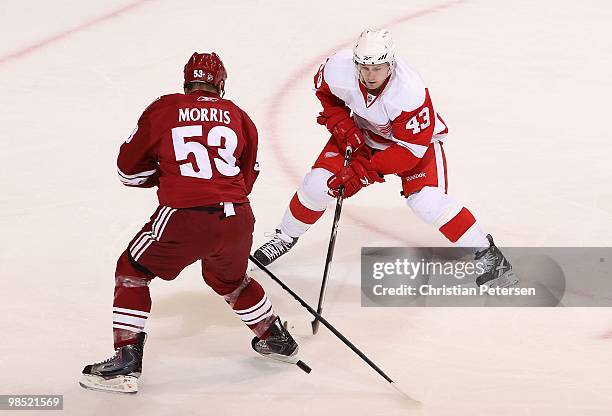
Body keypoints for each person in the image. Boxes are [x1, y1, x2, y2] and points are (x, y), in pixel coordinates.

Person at [80, 52, 299, 394]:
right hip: (238, 216)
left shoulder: (165, 108)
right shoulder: (239, 116)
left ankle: (125, 362)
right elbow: (247, 175)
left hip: (185, 215)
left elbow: (128, 171)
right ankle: (277, 339)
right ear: (221, 84)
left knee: (131, 269)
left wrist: (169, 176)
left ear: (187, 81)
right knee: (228, 280)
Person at [253, 29, 517, 288]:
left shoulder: (409, 92)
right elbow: (324, 92)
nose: (370, 75)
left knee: (426, 201)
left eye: (378, 68)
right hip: (362, 134)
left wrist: (362, 172)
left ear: (391, 63)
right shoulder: (339, 68)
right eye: (364, 68)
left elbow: (409, 152)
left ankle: (489, 255)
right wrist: (341, 121)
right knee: (316, 185)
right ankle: (285, 237)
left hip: (412, 145)